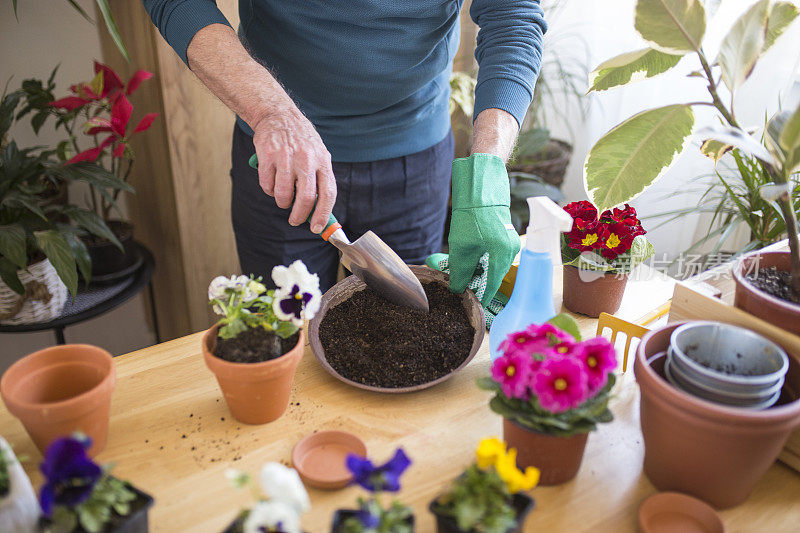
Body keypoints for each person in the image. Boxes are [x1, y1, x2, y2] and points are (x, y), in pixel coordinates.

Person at [142, 1, 546, 306]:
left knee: (411, 340)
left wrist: (487, 169)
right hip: (279, 160)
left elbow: (512, 14)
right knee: (283, 337)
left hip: (415, 166)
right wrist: (270, 112)